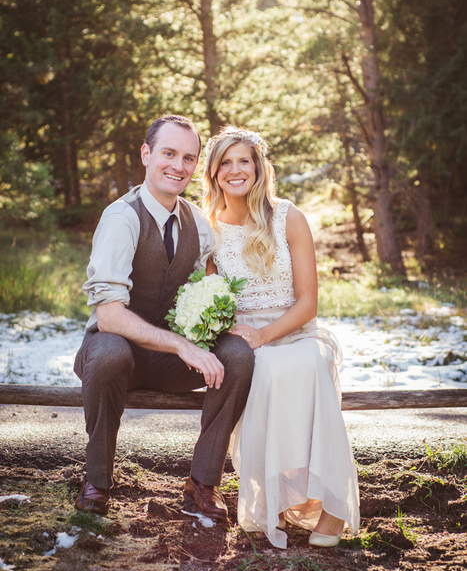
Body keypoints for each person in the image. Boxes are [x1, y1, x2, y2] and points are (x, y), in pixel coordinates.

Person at [74, 115, 254, 523]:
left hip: (172, 361)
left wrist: (222, 321)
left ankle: (202, 483)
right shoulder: (121, 218)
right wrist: (182, 345)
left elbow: (210, 286)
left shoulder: (198, 223)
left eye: (189, 158)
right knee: (107, 353)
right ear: (146, 154)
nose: (178, 166)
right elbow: (109, 316)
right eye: (169, 153)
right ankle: (98, 480)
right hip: (119, 355)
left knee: (239, 355)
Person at [203, 125, 360, 548]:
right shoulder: (209, 230)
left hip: (295, 331)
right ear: (214, 173)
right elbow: (210, 298)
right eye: (225, 163)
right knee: (265, 371)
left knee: (307, 363)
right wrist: (235, 332)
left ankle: (331, 507)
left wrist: (264, 334)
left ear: (258, 168)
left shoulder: (288, 217)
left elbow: (308, 303)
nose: (236, 171)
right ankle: (270, 498)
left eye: (244, 161)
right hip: (245, 339)